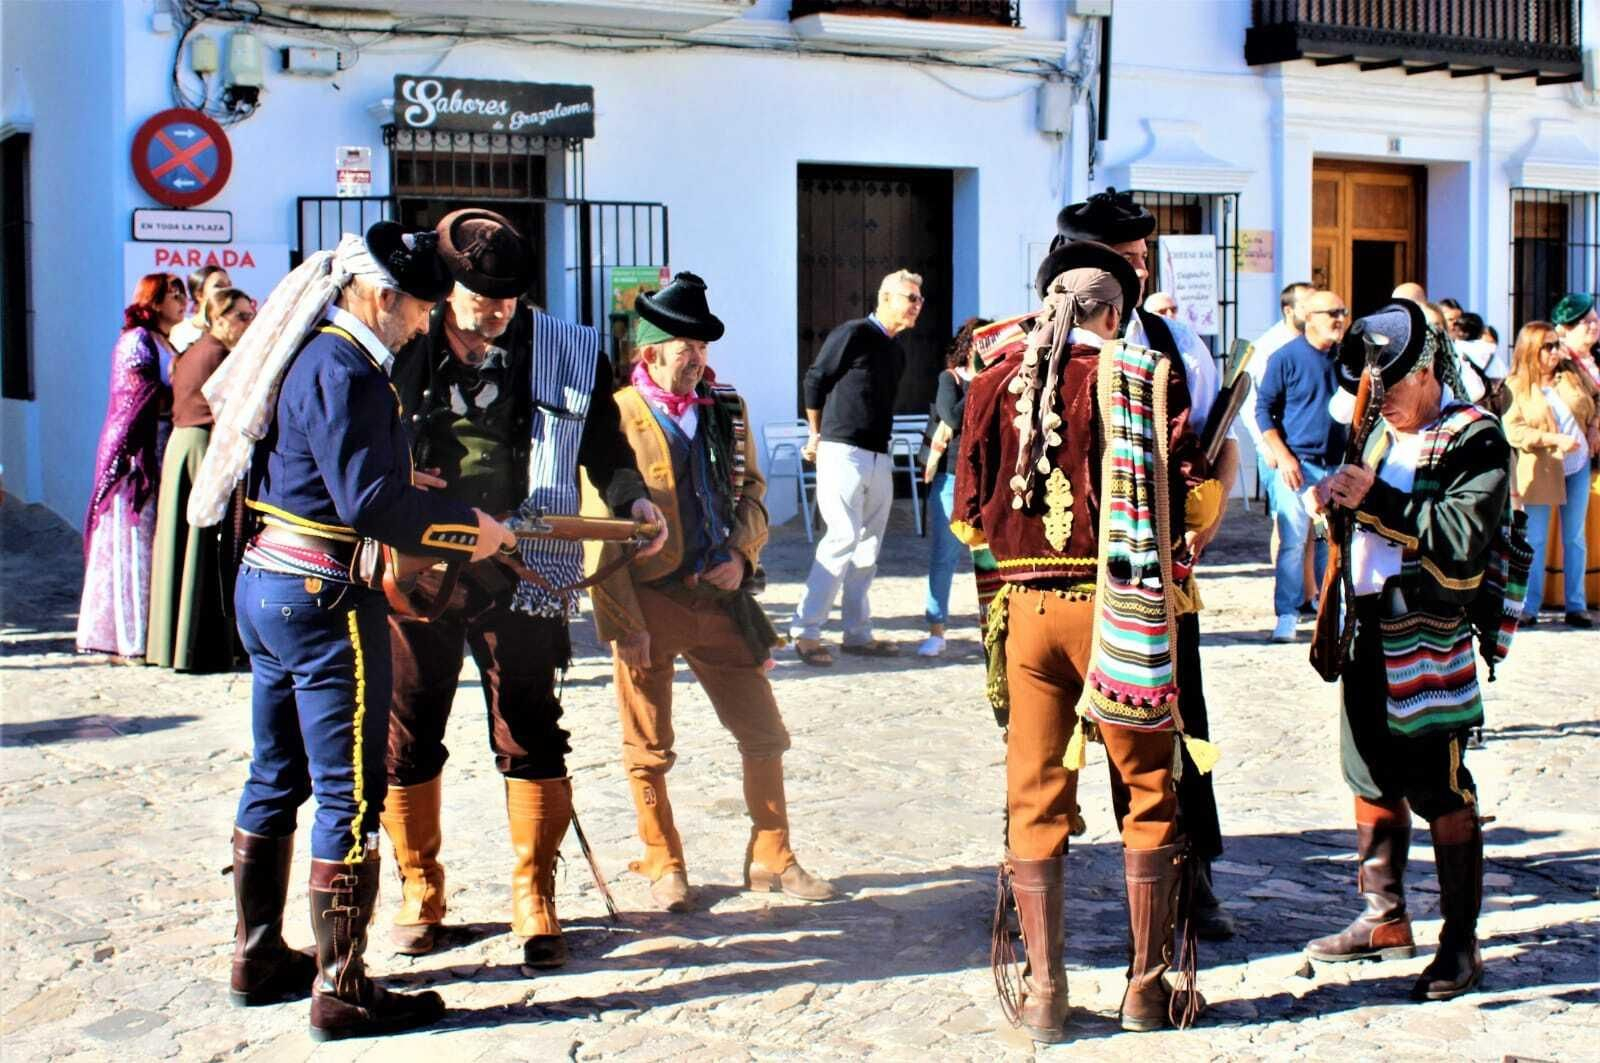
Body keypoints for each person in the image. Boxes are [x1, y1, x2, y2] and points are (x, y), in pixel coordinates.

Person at [195, 223, 517, 1041]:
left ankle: (258, 951)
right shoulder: (351, 369)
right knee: (350, 792)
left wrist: (405, 481)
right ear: (380, 295)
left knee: (275, 772)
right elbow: (369, 505)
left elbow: (321, 472)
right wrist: (464, 526)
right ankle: (341, 985)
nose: (421, 323)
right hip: (324, 596)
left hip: (268, 582)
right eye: (417, 307)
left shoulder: (312, 359)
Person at [379, 209, 664, 970]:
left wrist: (632, 495)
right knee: (408, 724)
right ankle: (419, 890)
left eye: (507, 300)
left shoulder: (567, 348)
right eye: (478, 299)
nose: (494, 313)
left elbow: (604, 442)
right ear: (447, 290)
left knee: (532, 724)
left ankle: (533, 893)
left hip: (527, 559)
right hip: (420, 566)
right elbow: (360, 441)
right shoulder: (399, 345)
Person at [955, 240, 1211, 1040]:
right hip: (1120, 610)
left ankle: (1046, 997)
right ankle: (1144, 987)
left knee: (1033, 797)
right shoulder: (1142, 382)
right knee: (1147, 790)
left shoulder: (993, 383)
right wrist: (1226, 466)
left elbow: (967, 518)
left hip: (1028, 616)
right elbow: (1190, 510)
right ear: (1114, 313)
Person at [590, 272, 836, 912]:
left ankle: (772, 856)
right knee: (648, 745)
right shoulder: (617, 415)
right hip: (651, 600)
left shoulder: (727, 407)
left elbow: (752, 490)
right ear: (650, 354)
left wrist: (738, 553)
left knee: (764, 733)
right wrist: (623, 621)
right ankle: (661, 856)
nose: (696, 359)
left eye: (701, 347)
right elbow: (604, 530)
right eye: (683, 348)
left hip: (720, 598)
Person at [1303, 300, 1510, 1004]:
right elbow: (1358, 507)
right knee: (1367, 772)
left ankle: (1461, 940)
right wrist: (1330, 497)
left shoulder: (1474, 435)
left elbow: (1462, 533)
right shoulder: (1377, 428)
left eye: (1390, 386)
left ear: (1425, 371)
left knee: (1440, 784)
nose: (1381, 400)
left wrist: (1377, 499)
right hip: (1365, 626)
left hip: (1430, 633)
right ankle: (1384, 915)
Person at [1052, 189, 1241, 940]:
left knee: (1173, 721)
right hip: (1065, 581)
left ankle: (1188, 874)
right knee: (1048, 740)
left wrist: (1208, 518)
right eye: (1122, 262)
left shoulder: (1171, 336)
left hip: (1157, 580)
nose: (1138, 272)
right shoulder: (1031, 345)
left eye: (1141, 258)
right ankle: (1031, 891)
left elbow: (1220, 441)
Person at [790, 269, 922, 665]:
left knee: (869, 548)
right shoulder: (853, 333)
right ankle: (805, 630)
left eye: (919, 298)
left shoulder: (896, 350)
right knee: (842, 537)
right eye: (910, 297)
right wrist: (815, 435)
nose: (918, 305)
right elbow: (816, 379)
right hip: (842, 451)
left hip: (880, 455)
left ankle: (857, 632)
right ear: (885, 298)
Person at [76, 272, 185, 660]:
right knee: (131, 539)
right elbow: (134, 394)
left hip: (159, 447)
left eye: (182, 295)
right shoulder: (135, 341)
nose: (181, 302)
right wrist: (179, 389)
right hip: (132, 457)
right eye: (173, 295)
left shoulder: (167, 341)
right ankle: (128, 634)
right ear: (152, 301)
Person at [146, 287, 255, 671]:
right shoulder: (217, 355)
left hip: (187, 447)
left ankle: (178, 644)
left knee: (190, 549)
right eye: (241, 316)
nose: (248, 323)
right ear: (219, 318)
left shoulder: (201, 349)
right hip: (200, 448)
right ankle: (199, 647)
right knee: (201, 550)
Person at [1255, 289, 1349, 642]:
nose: (1338, 319)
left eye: (1342, 311)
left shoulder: (1347, 359)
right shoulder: (1285, 357)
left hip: (1336, 466)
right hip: (1299, 465)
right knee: (1294, 541)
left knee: (1331, 541)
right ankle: (1288, 613)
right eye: (1330, 313)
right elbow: (1264, 409)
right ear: (1309, 317)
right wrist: (1283, 455)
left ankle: (1330, 610)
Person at [1504, 321, 1597, 628]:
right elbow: (1513, 429)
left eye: (1557, 344)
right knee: (1536, 539)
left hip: (1578, 465)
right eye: (1549, 346)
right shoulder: (1515, 385)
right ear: (1532, 349)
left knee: (1575, 538)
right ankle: (1529, 607)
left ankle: (1576, 605)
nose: (1556, 351)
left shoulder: (1571, 374)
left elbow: (1595, 401)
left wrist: (1595, 429)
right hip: (1541, 470)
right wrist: (1554, 440)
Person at [918, 317, 988, 658]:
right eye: (980, 342)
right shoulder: (951, 380)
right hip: (951, 479)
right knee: (944, 557)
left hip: (988, 480)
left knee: (989, 558)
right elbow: (954, 418)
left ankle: (993, 627)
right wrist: (978, 381)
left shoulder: (998, 380)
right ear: (968, 346)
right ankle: (937, 628)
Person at [170, 264, 232, 354]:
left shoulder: (234, 329)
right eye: (219, 286)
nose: (227, 290)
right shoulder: (179, 331)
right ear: (199, 294)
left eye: (229, 285)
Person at [1551, 293, 1600, 394]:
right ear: (1567, 328)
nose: (1594, 326)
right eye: (1586, 322)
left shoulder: (1596, 357)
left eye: (1596, 320)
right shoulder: (1560, 361)